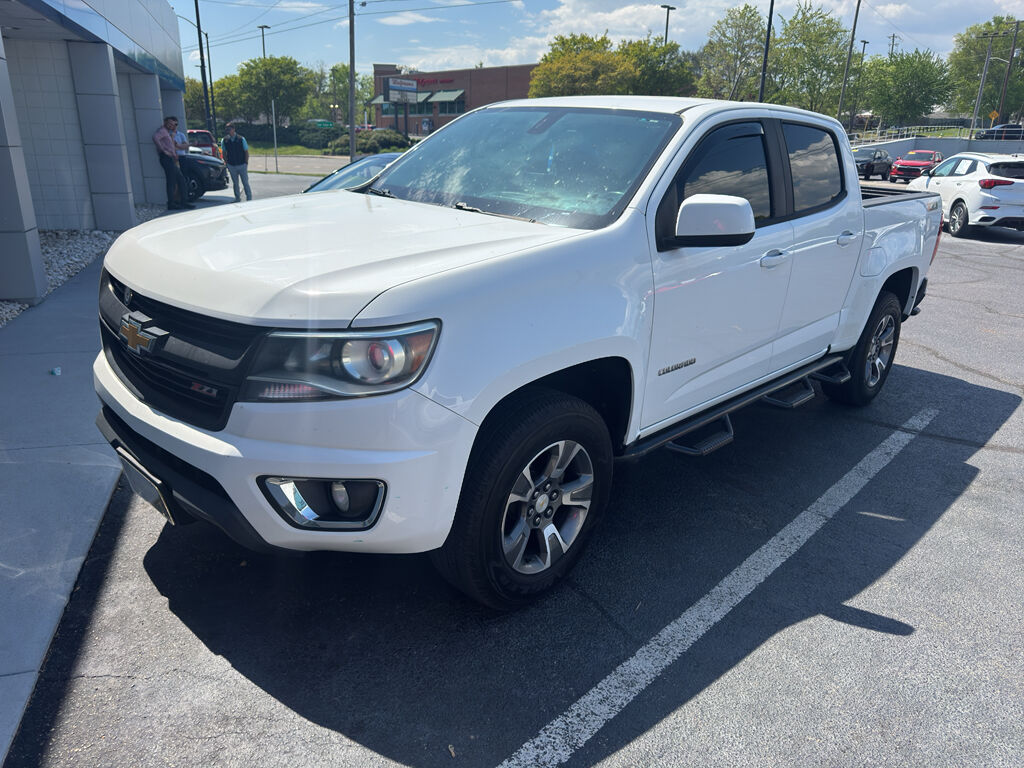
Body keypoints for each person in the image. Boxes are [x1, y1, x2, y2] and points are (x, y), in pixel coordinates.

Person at [152, 116, 194, 210]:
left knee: (175, 180)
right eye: (169, 124)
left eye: (173, 124)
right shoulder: (162, 131)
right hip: (166, 158)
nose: (171, 126)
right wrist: (163, 150)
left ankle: (177, 202)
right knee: (177, 180)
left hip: (170, 158)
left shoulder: (167, 133)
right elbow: (155, 138)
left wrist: (174, 154)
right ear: (165, 122)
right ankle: (177, 202)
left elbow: (172, 146)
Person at [221, 123, 252, 202]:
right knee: (235, 183)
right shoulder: (224, 140)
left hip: (242, 164)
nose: (228, 131)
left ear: (234, 129)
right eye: (227, 129)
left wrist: (246, 162)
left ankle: (249, 198)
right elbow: (224, 152)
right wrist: (226, 162)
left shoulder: (241, 139)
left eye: (229, 129)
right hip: (231, 165)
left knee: (245, 182)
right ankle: (237, 198)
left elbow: (246, 151)